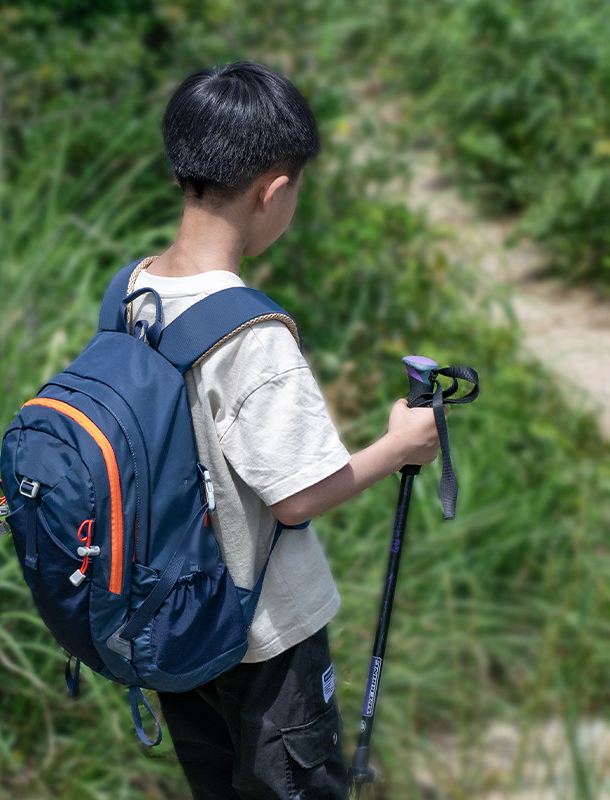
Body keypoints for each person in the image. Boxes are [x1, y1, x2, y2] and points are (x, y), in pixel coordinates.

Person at [127, 61, 440, 800]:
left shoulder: (135, 289)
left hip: (175, 619)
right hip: (261, 633)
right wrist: (400, 446)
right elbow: (299, 497)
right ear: (273, 189)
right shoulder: (249, 332)